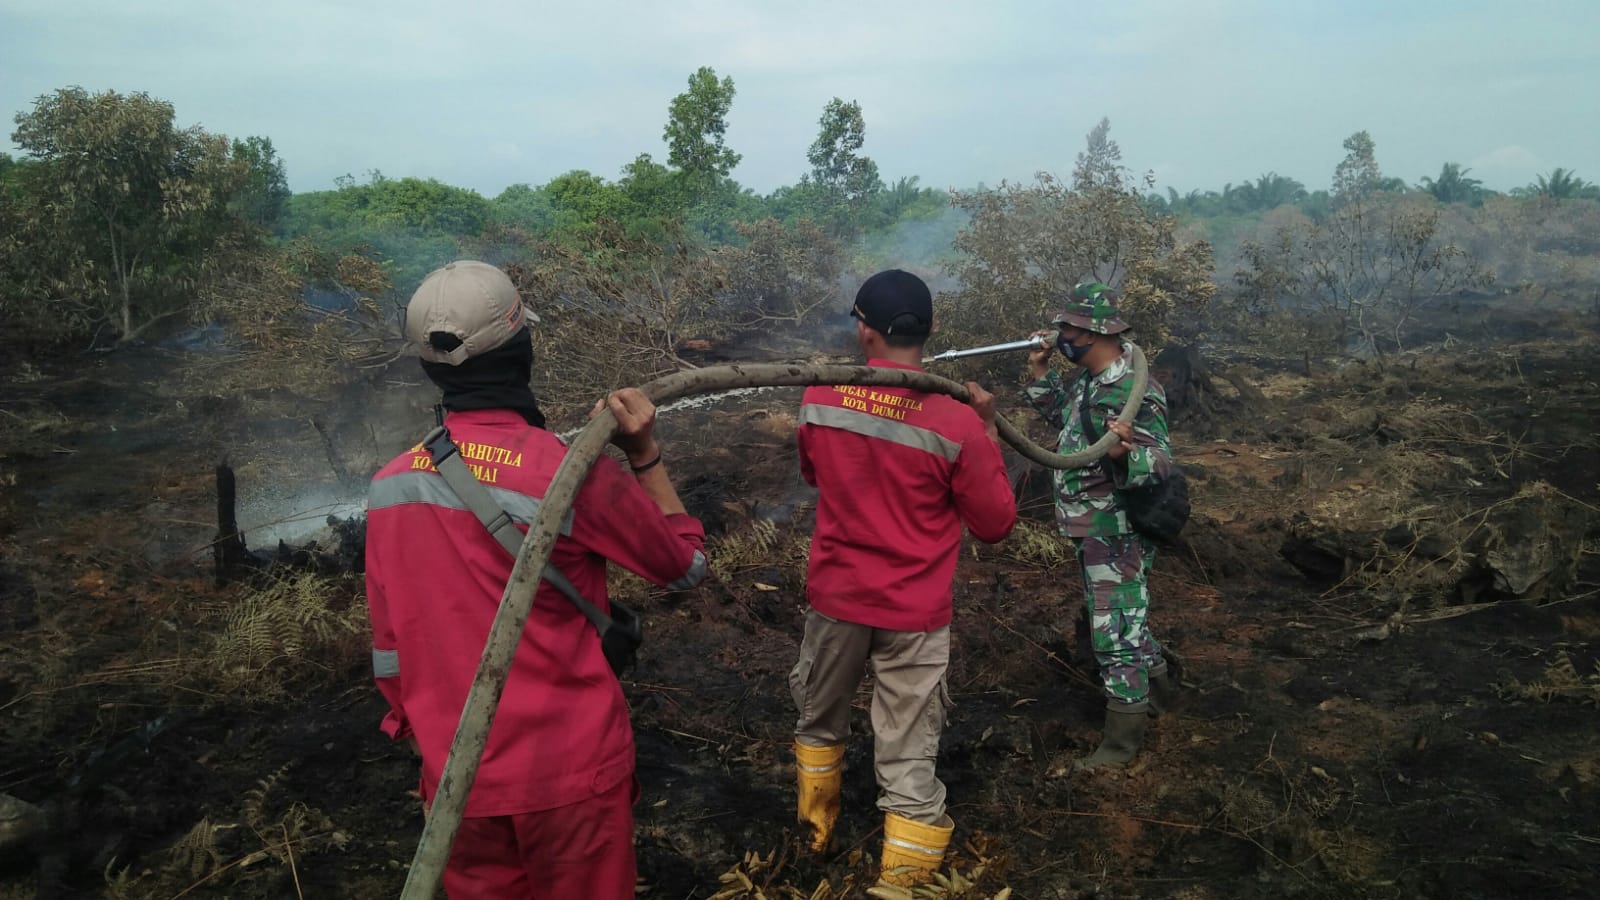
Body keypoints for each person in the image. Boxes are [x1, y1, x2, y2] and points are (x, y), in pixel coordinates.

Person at [364, 260, 708, 898]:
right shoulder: (571, 472)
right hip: (570, 778)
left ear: (430, 368)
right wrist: (644, 456)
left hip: (457, 783)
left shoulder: (390, 486)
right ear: (523, 351)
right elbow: (684, 567)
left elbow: (389, 650)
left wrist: (422, 736)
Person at [790, 269, 1018, 887]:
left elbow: (813, 475)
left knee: (818, 720)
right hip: (914, 614)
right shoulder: (959, 421)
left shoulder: (819, 396)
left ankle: (815, 835)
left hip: (837, 598)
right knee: (910, 746)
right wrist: (989, 430)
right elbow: (996, 523)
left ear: (864, 330)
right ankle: (905, 881)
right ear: (930, 331)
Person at [1022, 280, 1177, 773]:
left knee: (1114, 632)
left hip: (1117, 530)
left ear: (1094, 332)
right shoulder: (1093, 378)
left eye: (1067, 328)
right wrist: (1039, 371)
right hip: (1091, 527)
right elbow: (1068, 424)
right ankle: (1164, 695)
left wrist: (1123, 455)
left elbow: (1160, 461)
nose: (1060, 335)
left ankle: (1119, 744)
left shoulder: (1135, 387)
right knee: (1124, 618)